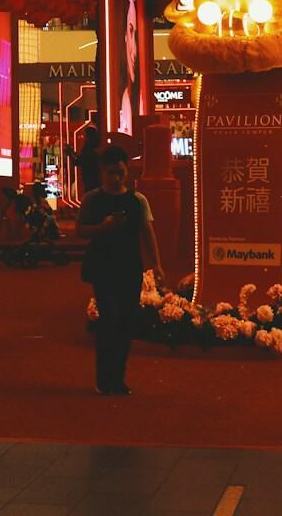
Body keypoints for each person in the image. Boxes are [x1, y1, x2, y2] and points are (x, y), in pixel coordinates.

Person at [79, 146, 164, 394]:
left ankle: (117, 377)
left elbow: (148, 233)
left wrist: (156, 264)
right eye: (110, 173)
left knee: (126, 322)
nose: (115, 178)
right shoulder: (92, 199)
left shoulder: (138, 200)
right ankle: (104, 378)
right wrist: (102, 227)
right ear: (102, 172)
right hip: (103, 268)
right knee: (109, 320)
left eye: (119, 172)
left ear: (126, 170)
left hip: (129, 268)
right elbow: (80, 230)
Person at [74, 125, 106, 203]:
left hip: (90, 178)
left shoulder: (88, 148)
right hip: (94, 177)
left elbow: (78, 161)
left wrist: (71, 154)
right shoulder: (95, 148)